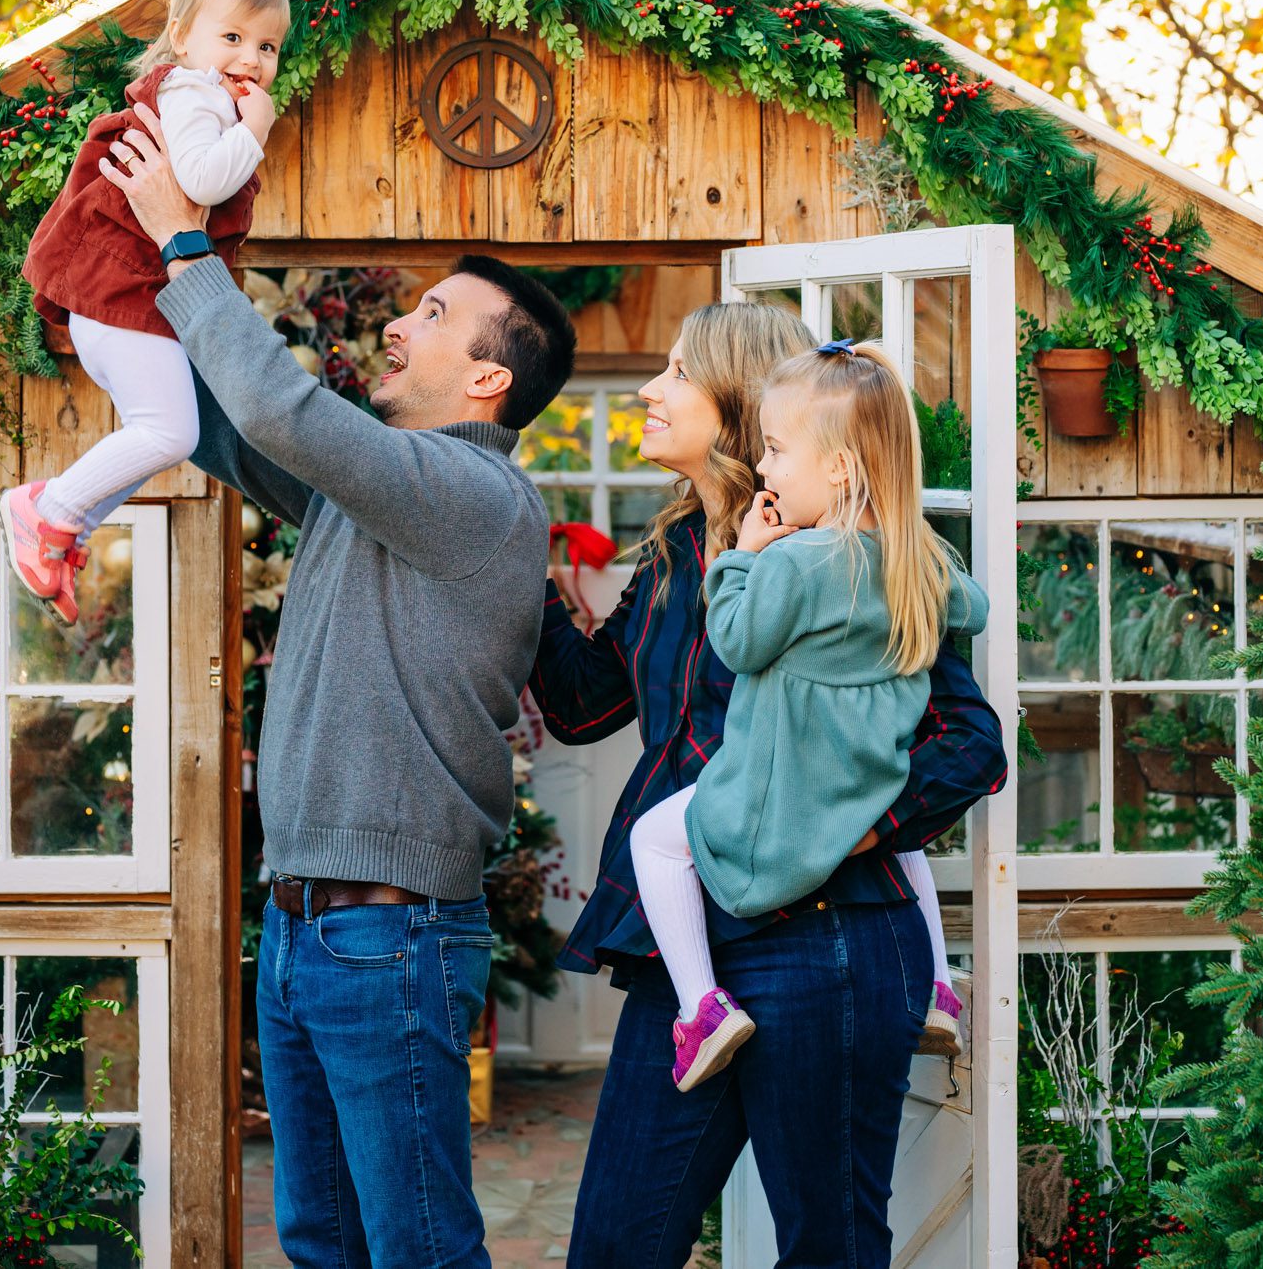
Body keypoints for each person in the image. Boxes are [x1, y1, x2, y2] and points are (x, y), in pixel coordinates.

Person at [98, 106, 577, 1269]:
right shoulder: (372, 492)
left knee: (414, 1249)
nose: (401, 322)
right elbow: (221, 420)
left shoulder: (476, 500)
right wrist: (120, 270)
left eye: (432, 312)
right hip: (306, 925)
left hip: (392, 934)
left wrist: (184, 245)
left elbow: (279, 408)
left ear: (486, 376)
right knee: (321, 1242)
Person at [527, 303, 1007, 1269]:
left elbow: (969, 743)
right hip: (691, 955)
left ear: (739, 402)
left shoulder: (854, 561)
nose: (649, 393)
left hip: (822, 941)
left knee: (826, 1248)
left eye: (675, 372)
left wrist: (841, 831)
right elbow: (582, 706)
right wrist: (514, 560)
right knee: (618, 1246)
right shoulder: (673, 558)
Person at [629, 338, 987, 1091]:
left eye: (777, 450)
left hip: (781, 787)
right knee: (904, 847)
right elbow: (974, 609)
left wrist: (742, 557)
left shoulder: (793, 561)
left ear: (840, 469)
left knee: (655, 839)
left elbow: (737, 641)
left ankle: (701, 1006)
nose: (763, 468)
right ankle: (938, 984)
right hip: (869, 777)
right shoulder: (916, 560)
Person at [1, 0, 291, 623]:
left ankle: (62, 527)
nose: (251, 58)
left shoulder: (205, 94)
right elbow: (199, 180)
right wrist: (255, 129)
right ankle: (47, 511)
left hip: (127, 301)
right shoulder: (194, 92)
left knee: (161, 429)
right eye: (233, 37)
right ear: (183, 35)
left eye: (268, 45)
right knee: (170, 430)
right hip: (120, 294)